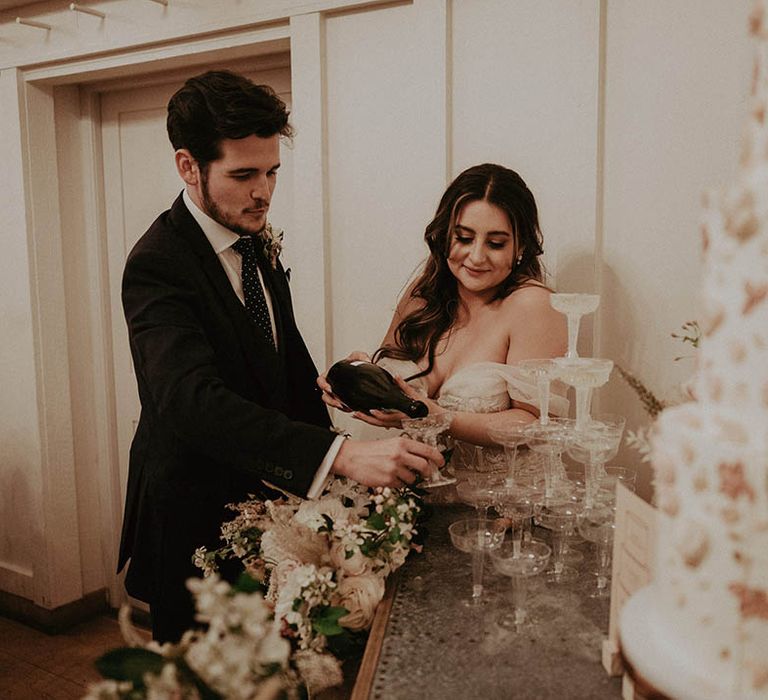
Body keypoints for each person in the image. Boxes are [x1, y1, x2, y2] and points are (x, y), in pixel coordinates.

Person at [117, 70, 442, 643]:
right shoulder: (158, 263)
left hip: (270, 514)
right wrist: (338, 456)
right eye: (243, 175)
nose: (263, 192)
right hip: (193, 523)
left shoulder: (254, 243)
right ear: (188, 167)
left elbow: (282, 358)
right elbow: (191, 403)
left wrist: (337, 417)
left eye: (271, 173)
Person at [319, 163, 569, 481]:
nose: (476, 257)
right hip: (412, 499)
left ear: (521, 246)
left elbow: (537, 425)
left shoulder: (533, 305)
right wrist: (356, 378)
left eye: (495, 243)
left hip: (503, 510)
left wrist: (437, 416)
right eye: (463, 238)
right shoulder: (424, 292)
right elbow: (395, 386)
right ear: (444, 235)